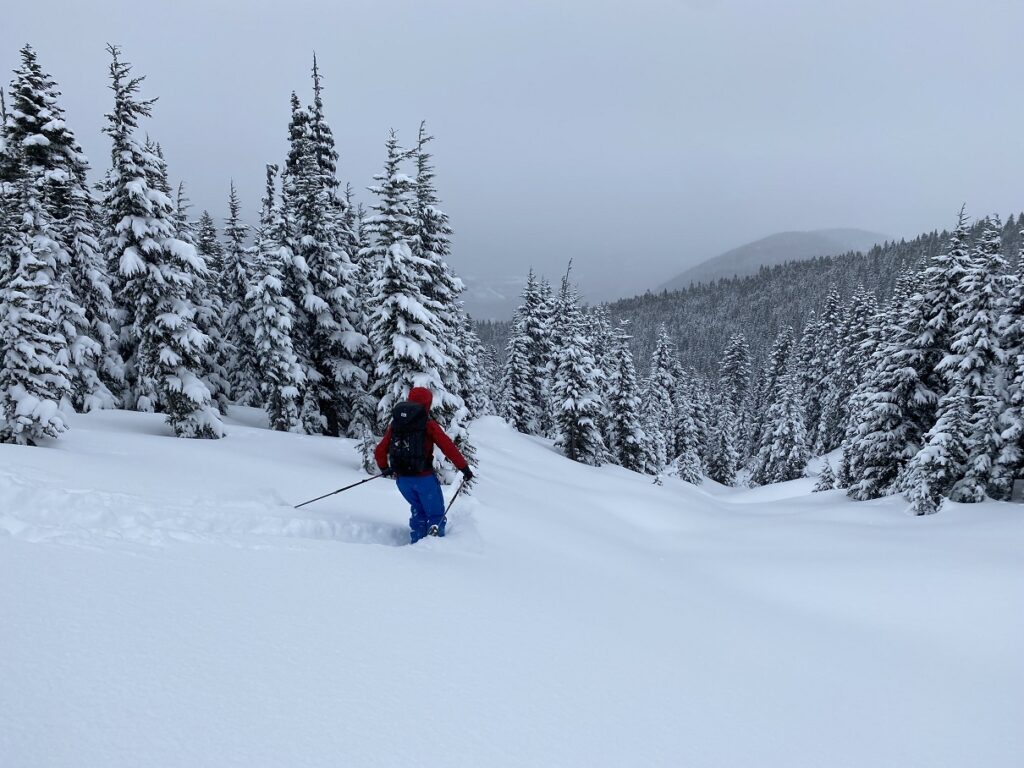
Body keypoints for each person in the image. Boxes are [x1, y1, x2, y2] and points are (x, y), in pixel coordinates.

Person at [375, 387, 473, 543]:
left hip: (403, 481)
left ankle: (417, 543)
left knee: (419, 511)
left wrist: (384, 468)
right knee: (435, 515)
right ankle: (432, 552)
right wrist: (464, 468)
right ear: (428, 404)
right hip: (424, 479)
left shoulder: (396, 424)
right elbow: (448, 447)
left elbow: (380, 450)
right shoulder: (428, 425)